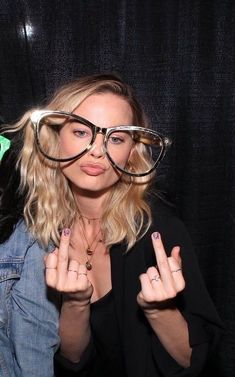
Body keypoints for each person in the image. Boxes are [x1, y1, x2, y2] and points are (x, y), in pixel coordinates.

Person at [0, 73, 222, 377]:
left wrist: (159, 310)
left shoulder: (158, 229)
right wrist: (76, 303)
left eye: (115, 139)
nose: (96, 150)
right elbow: (74, 359)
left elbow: (192, 361)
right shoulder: (43, 230)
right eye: (81, 132)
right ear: (55, 137)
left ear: (131, 153)